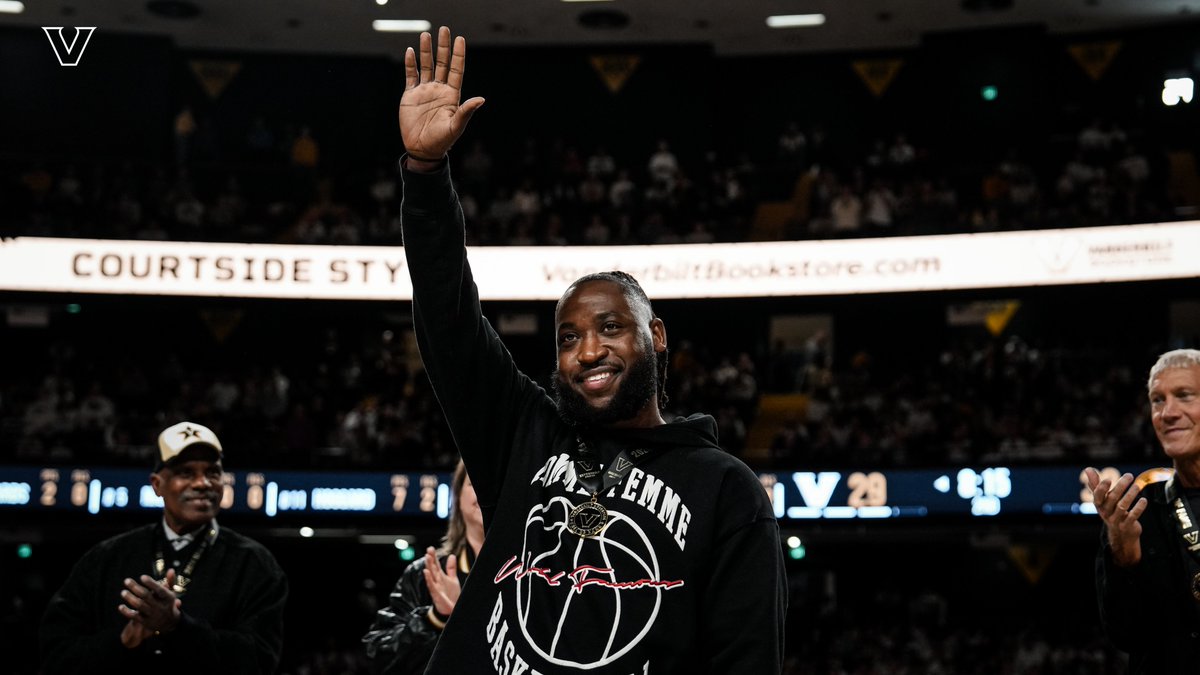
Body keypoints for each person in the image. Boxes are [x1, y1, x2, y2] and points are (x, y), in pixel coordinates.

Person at [395, 26, 786, 674]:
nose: (588, 351)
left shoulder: (726, 490)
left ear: (656, 336)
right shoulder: (523, 435)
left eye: (610, 327)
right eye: (569, 337)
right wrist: (426, 176)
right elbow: (447, 317)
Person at [39, 421, 288, 674]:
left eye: (213, 472)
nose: (202, 483)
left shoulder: (254, 563)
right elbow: (55, 655)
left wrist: (178, 627)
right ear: (157, 484)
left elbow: (261, 661)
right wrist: (122, 642)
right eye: (186, 473)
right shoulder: (105, 558)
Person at [1087, 348, 1200, 673]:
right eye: (1157, 400)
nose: (1167, 413)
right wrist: (1125, 557)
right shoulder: (1136, 510)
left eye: (1184, 395)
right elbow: (1125, 634)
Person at [362, 460, 485, 674]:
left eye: (495, 485)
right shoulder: (424, 574)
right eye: (475, 482)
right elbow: (379, 656)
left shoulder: (537, 571)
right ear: (458, 496)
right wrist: (435, 618)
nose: (485, 492)